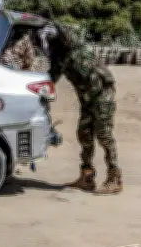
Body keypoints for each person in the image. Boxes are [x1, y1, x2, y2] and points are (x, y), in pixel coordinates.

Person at [35, 23, 123, 195]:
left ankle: (114, 177)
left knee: (104, 134)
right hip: (87, 99)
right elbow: (50, 79)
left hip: (102, 94)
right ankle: (87, 177)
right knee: (84, 134)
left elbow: (65, 32)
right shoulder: (59, 60)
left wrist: (51, 28)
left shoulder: (74, 44)